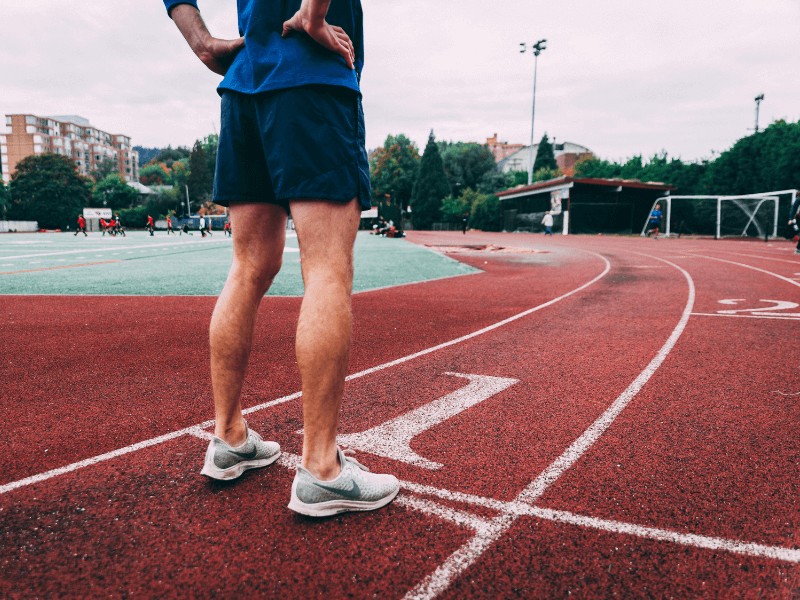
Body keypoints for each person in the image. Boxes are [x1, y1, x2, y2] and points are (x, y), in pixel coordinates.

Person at [165, 0, 398, 517]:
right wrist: (313, 17)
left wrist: (201, 41)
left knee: (247, 266)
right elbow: (311, 21)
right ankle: (322, 469)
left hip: (246, 84)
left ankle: (228, 438)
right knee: (327, 270)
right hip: (311, 79)